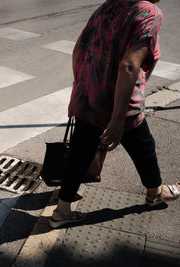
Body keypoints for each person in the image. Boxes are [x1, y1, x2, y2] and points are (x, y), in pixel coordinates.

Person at [49, 0, 180, 228]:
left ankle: (62, 210)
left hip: (89, 97)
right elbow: (129, 65)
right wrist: (118, 119)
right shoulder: (149, 12)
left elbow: (79, 48)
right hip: (121, 101)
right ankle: (154, 193)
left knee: (80, 153)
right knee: (144, 148)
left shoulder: (108, 6)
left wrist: (81, 85)